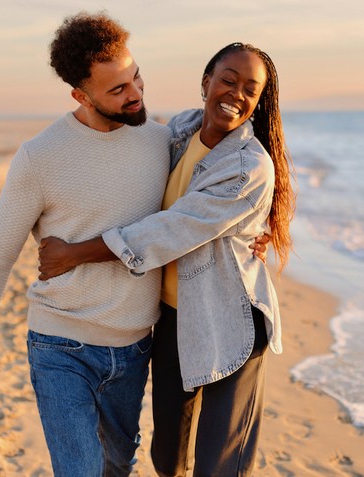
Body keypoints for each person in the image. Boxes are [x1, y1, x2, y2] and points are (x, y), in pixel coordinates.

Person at [0, 14, 269, 476]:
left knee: (118, 466)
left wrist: (257, 234)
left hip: (137, 347)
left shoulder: (161, 141)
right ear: (81, 95)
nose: (135, 94)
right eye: (117, 90)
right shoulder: (39, 157)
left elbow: (207, 196)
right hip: (60, 344)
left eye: (135, 76)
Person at [37, 42, 295, 477]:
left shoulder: (250, 166)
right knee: (167, 458)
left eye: (250, 89)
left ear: (258, 101)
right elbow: (125, 158)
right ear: (206, 83)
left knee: (219, 466)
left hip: (231, 319)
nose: (236, 93)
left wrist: (74, 254)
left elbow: (170, 229)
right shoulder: (179, 132)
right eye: (228, 80)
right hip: (175, 317)